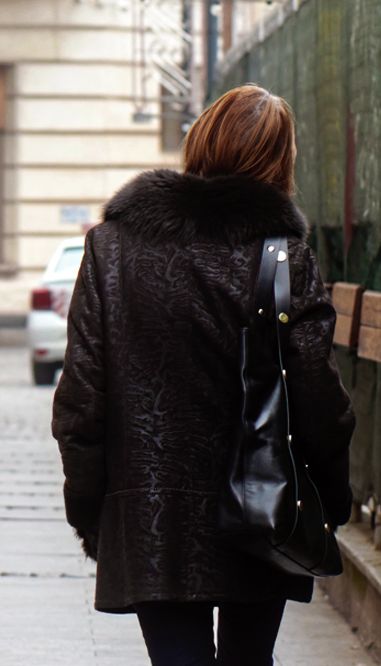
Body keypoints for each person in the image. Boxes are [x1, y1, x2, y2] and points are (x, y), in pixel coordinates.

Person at [52, 85, 355, 666]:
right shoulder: (282, 256)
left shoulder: (111, 248)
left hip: (149, 508)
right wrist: (330, 501)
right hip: (264, 504)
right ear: (279, 160)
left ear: (200, 141)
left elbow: (81, 402)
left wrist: (91, 509)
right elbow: (319, 397)